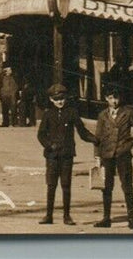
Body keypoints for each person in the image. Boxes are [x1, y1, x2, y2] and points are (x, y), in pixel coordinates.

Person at [36, 83, 96, 225]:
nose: (60, 102)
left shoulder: (72, 112)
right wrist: (49, 145)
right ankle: (48, 215)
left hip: (67, 155)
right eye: (56, 99)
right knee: (51, 186)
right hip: (52, 156)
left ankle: (66, 216)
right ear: (51, 99)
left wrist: (95, 139)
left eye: (62, 98)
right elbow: (41, 135)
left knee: (66, 185)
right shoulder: (48, 114)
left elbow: (82, 131)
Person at [92, 85, 133, 229]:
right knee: (106, 187)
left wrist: (132, 143)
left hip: (123, 154)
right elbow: (97, 137)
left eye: (116, 98)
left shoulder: (128, 113)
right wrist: (97, 155)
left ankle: (131, 219)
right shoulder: (102, 115)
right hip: (106, 154)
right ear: (106, 99)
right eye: (111, 98)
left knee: (127, 186)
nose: (114, 101)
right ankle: (106, 218)